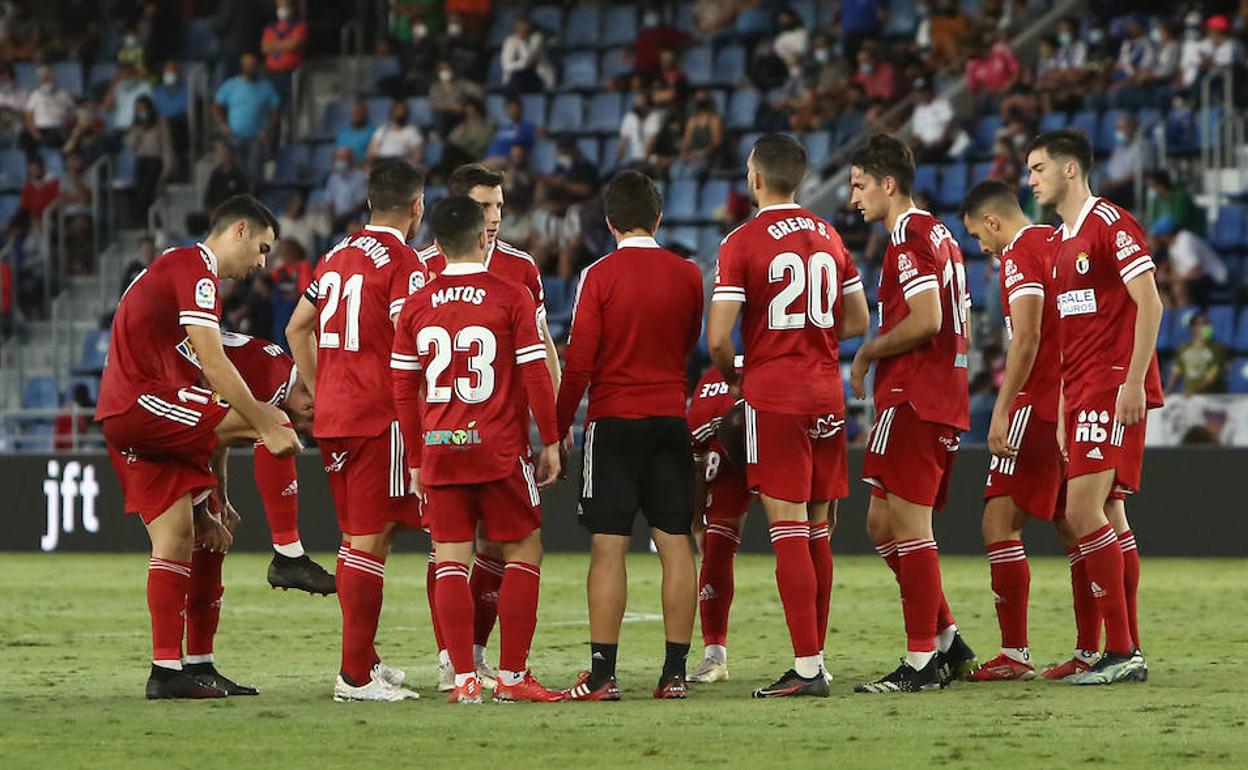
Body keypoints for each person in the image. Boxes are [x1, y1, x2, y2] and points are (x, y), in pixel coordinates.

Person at [95, 194, 301, 699]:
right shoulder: (195, 268)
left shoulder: (179, 272)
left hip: (136, 412)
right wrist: (265, 424)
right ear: (240, 230)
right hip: (142, 404)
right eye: (262, 248)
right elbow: (213, 364)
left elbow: (207, 402)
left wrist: (217, 497)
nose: (261, 263)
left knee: (183, 537)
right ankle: (289, 552)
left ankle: (174, 670)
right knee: (271, 416)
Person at [708, 134, 869, 697]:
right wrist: (811, 334)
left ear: (755, 178)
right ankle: (816, 659)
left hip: (775, 395)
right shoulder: (830, 235)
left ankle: (805, 669)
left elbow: (718, 337)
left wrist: (742, 368)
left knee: (788, 529)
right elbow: (857, 320)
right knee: (818, 529)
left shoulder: (742, 241)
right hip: (827, 395)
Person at [391, 196, 564, 704]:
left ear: (438, 244)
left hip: (442, 447)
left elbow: (403, 390)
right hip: (499, 448)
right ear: (484, 236)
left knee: (450, 558)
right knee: (524, 548)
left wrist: (418, 458)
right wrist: (550, 438)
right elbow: (535, 373)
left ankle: (463, 677)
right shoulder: (511, 296)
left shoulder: (417, 305)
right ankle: (511, 677)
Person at [556, 170, 704, 701]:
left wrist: (556, 427)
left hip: (614, 422)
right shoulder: (689, 274)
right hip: (670, 419)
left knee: (609, 548)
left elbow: (580, 364)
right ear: (658, 217)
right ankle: (675, 674)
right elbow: (690, 342)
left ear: (609, 221)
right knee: (676, 544)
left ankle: (602, 674)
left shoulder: (598, 275)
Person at [286, 159, 428, 703]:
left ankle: (363, 658)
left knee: (362, 541)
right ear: (417, 207)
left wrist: (322, 388)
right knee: (371, 541)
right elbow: (408, 340)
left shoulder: (336, 255)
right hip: (379, 416)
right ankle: (353, 677)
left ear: (369, 202)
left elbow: (297, 325)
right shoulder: (403, 263)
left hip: (335, 417)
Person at [1025, 128, 1163, 684]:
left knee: (1081, 511)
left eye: (1038, 168)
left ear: (1070, 170)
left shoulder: (1111, 224)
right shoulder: (1058, 243)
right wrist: (1061, 403)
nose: (1031, 179)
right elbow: (1067, 335)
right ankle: (1117, 648)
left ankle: (1123, 651)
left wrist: (1133, 382)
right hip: (1080, 390)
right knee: (1107, 513)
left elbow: (1150, 303)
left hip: (1111, 385)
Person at [848, 134, 978, 693]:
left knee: (910, 526)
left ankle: (922, 660)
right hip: (929, 394)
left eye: (859, 185)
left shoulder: (908, 239)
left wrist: (869, 350)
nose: (853, 197)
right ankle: (948, 640)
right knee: (882, 524)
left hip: (918, 397)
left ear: (888, 184)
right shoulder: (938, 233)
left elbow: (926, 318)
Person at [958, 179, 1100, 681]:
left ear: (993, 222)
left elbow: (1029, 336)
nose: (983, 247)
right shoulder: (1058, 241)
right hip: (1072, 399)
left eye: (978, 236)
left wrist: (1000, 409)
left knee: (999, 524)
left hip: (1037, 403)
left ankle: (1014, 654)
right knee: (1074, 526)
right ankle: (1091, 651)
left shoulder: (1020, 254)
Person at [216, 330, 334, 593]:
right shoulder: (271, 384)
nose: (299, 432)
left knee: (197, 537)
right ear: (309, 408)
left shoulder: (276, 365)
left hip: (172, 381)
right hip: (159, 386)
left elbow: (216, 431)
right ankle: (288, 554)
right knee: (274, 426)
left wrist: (219, 496)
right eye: (304, 428)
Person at [684, 361, 755, 684]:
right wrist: (699, 521)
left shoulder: (710, 395)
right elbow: (697, 466)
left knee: (806, 541)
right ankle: (715, 655)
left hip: (782, 434)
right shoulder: (709, 403)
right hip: (729, 456)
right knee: (716, 549)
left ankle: (812, 658)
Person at [214, 53, 281, 182]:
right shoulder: (231, 85)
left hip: (256, 138)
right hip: (234, 136)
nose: (249, 68)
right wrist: (222, 124)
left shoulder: (266, 87)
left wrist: (267, 130)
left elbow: (276, 110)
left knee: (254, 174)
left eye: (252, 66)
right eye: (247, 66)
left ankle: (253, 199)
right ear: (242, 67)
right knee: (236, 173)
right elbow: (216, 106)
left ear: (257, 67)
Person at [125, 95, 174, 220]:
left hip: (155, 161)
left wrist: (167, 167)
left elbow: (166, 146)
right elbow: (130, 145)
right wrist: (137, 132)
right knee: (140, 191)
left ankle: (153, 219)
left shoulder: (160, 123)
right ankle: (142, 219)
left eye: (143, 109)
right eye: (138, 109)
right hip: (141, 160)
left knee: (149, 190)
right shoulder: (136, 125)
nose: (141, 112)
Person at [1167, 312, 1230, 394]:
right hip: (1188, 394)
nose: (1207, 327)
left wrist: (1194, 391)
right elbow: (1176, 372)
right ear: (1193, 327)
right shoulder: (1184, 347)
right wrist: (1168, 390)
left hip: (1211, 395)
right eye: (1203, 324)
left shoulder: (1217, 348)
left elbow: (1212, 375)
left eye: (1208, 323)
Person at [261, 0, 307, 106]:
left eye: (285, 6)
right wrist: (285, 44)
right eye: (280, 6)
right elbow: (265, 48)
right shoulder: (270, 27)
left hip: (290, 74)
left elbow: (294, 45)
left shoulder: (299, 26)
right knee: (273, 107)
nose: (282, 10)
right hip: (272, 73)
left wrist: (274, 45)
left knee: (290, 106)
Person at [670, 92, 723, 179]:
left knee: (689, 172)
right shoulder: (692, 120)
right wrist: (684, 154)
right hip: (693, 154)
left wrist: (701, 154)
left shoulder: (714, 119)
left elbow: (716, 142)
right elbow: (686, 141)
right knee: (675, 171)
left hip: (707, 155)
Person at [22, 65, 73, 152]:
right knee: (24, 135)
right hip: (40, 129)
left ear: (54, 78)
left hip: (58, 128)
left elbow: (72, 113)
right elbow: (28, 118)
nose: (46, 81)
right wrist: (38, 137)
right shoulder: (34, 95)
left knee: (62, 133)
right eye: (43, 79)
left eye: (48, 78)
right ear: (39, 80)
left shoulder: (64, 94)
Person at [321, 147, 369, 233]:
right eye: (338, 157)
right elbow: (330, 202)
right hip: (337, 221)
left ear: (351, 159)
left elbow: (362, 203)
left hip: (356, 220)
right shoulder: (333, 178)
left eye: (343, 157)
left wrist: (345, 217)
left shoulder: (360, 177)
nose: (340, 160)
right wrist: (334, 219)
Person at [367, 99, 424, 164]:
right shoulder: (382, 129)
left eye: (402, 110)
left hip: (401, 165)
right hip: (381, 164)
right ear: (392, 112)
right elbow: (370, 152)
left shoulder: (412, 131)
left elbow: (418, 155)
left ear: (407, 112)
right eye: (397, 110)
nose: (399, 112)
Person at [484, 97, 535, 164]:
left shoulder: (527, 127)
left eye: (514, 107)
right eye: (508, 108)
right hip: (490, 159)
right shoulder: (503, 128)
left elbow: (525, 148)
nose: (512, 111)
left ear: (521, 109)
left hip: (506, 160)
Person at [204, 140, 251, 212]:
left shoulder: (238, 175)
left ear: (228, 154)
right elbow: (208, 199)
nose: (216, 155)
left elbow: (244, 200)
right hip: (216, 213)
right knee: (192, 218)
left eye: (219, 152)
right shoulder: (215, 174)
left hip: (232, 214)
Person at [335, 100, 374, 168]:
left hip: (363, 169)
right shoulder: (343, 133)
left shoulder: (374, 132)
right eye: (353, 113)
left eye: (358, 112)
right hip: (343, 170)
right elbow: (338, 154)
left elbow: (372, 156)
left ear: (365, 114)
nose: (355, 115)